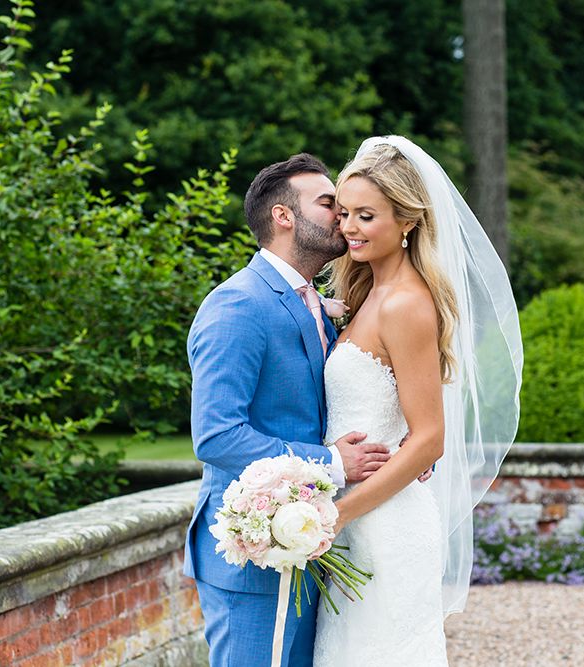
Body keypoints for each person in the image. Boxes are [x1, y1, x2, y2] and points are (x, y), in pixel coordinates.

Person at [184, 153, 402, 667]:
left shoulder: (313, 301)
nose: (343, 216)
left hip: (308, 543)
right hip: (254, 553)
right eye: (329, 203)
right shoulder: (237, 304)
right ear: (284, 216)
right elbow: (216, 436)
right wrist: (330, 463)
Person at [313, 136, 522, 666]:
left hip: (383, 524)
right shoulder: (364, 295)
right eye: (343, 214)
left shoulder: (406, 303)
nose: (349, 228)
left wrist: (338, 515)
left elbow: (429, 440)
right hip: (351, 519)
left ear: (407, 221)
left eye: (366, 215)